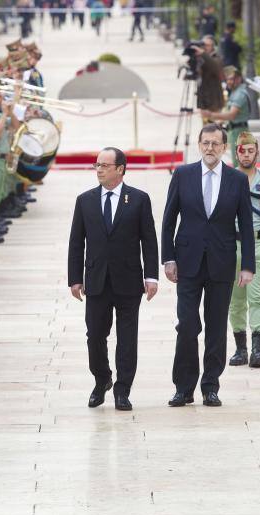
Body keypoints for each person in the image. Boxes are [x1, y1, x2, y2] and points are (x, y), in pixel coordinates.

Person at [161, 124, 255, 407]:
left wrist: (247, 265)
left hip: (222, 262)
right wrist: (168, 258)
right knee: (187, 325)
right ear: (199, 145)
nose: (210, 148)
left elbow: (247, 226)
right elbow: (168, 221)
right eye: (205, 143)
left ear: (224, 147)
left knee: (216, 327)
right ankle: (184, 387)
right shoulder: (183, 174)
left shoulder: (237, 180)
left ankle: (210, 386)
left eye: (216, 143)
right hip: (187, 262)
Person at [68, 147, 158, 411]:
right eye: (97, 165)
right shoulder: (85, 200)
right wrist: (75, 278)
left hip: (129, 280)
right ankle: (102, 378)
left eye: (104, 166)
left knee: (127, 337)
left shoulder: (139, 199)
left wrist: (151, 276)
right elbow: (76, 243)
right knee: (95, 334)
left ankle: (123, 390)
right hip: (96, 279)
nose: (99, 170)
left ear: (120, 169)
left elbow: (149, 241)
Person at [227, 132, 260, 368]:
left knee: (258, 297)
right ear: (235, 152)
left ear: (257, 151)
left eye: (250, 150)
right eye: (241, 150)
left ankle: (257, 349)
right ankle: (240, 348)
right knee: (235, 300)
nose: (246, 155)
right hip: (231, 244)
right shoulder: (226, 179)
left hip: (258, 244)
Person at [201, 66, 250, 166]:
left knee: (240, 164)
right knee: (237, 162)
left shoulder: (240, 94)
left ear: (239, 79)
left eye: (232, 79)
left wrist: (211, 115)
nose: (229, 82)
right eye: (227, 79)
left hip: (239, 131)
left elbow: (231, 115)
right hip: (235, 130)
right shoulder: (235, 92)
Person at [195, 37, 224, 114]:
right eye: (203, 45)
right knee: (205, 125)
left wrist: (203, 54)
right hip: (203, 99)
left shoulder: (216, 57)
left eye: (207, 45)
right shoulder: (200, 58)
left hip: (214, 100)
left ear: (213, 47)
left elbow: (215, 67)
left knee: (214, 125)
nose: (205, 47)